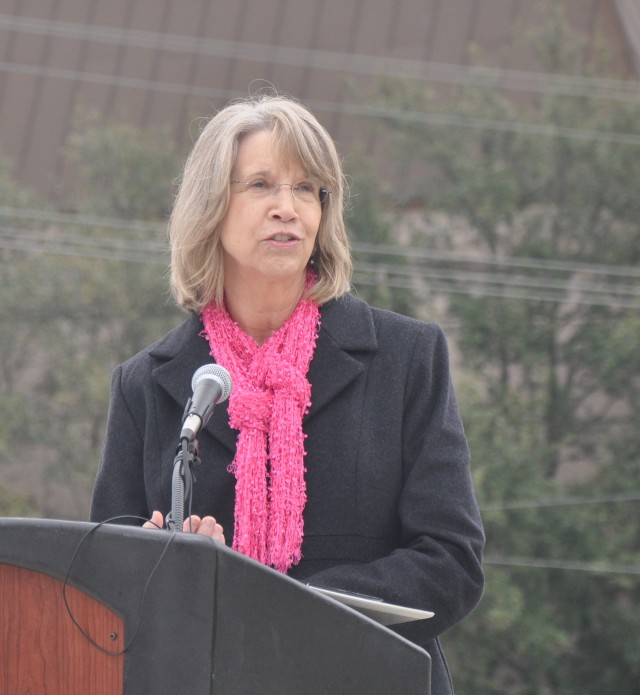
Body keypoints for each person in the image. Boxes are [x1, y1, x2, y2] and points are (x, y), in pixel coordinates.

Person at [90, 93, 484, 694]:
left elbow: (451, 563)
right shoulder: (149, 386)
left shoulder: (406, 359)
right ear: (211, 209)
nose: (287, 208)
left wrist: (282, 609)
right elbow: (103, 594)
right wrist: (182, 572)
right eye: (261, 185)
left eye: (307, 189)